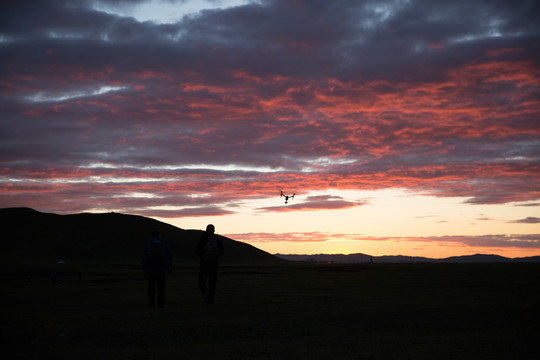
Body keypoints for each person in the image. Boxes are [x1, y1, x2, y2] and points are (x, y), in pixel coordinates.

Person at [142, 231, 172, 308]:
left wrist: (144, 268)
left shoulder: (148, 244)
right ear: (159, 235)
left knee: (151, 288)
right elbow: (168, 257)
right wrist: (169, 267)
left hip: (151, 269)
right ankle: (161, 304)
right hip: (161, 269)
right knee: (161, 288)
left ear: (152, 236)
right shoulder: (164, 244)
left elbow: (145, 257)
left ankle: (152, 304)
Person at [195, 224, 224, 303]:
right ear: (214, 230)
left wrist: (202, 255)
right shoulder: (217, 240)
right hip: (214, 263)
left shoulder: (203, 239)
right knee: (212, 282)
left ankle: (206, 294)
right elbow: (222, 252)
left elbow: (197, 250)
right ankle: (210, 299)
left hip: (204, 263)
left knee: (201, 281)